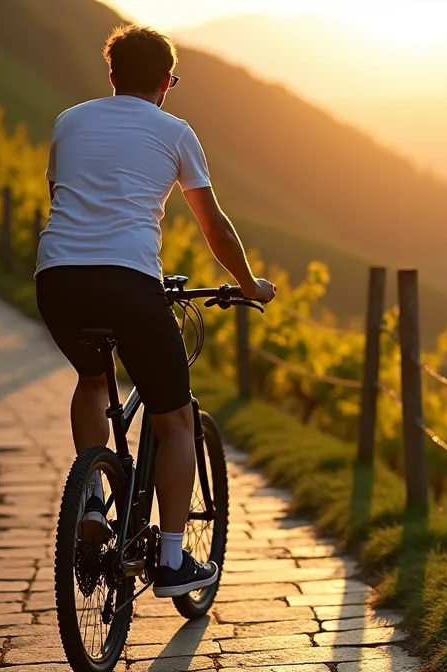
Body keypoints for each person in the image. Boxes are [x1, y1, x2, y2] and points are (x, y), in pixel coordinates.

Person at [33, 25, 275, 598]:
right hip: (128, 281)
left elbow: (61, 199)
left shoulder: (69, 121)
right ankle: (170, 560)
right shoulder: (176, 132)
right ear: (167, 81)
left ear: (111, 76)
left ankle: (92, 500)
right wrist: (248, 284)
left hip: (57, 279)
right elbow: (212, 224)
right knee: (175, 420)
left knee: (93, 380)